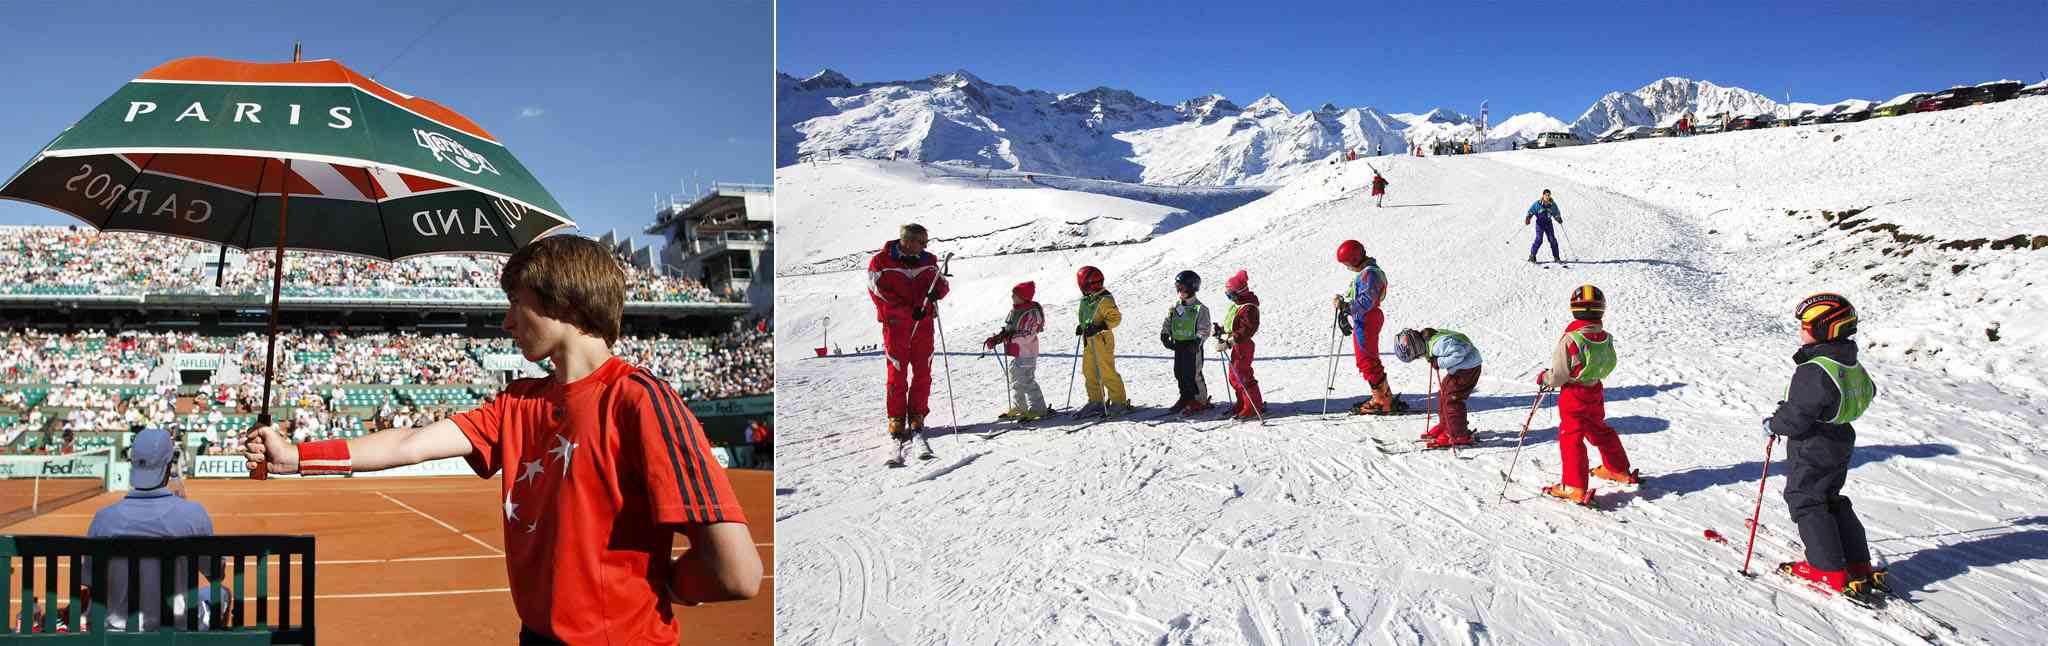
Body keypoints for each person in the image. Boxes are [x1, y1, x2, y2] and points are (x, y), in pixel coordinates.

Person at [241, 235, 761, 645]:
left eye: (517, 302)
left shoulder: (641, 401)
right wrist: (295, 458)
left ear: (564, 302)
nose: (508, 321)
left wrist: (666, 588)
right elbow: (411, 444)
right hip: (536, 637)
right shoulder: (518, 401)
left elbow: (736, 573)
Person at [1766, 293, 1883, 601]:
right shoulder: (1847, 359)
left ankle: (1827, 568)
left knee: (1806, 499)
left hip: (1813, 442)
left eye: (1806, 324)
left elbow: (1798, 416)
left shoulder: (1814, 369)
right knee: (1831, 497)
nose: (1801, 330)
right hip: (1841, 437)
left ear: (1825, 329)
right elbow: (1868, 390)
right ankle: (1857, 561)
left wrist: (1775, 423)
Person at [82, 427, 222, 632]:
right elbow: (215, 573)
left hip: (117, 632)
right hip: (181, 629)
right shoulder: (193, 514)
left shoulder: (103, 519)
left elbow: (91, 582)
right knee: (222, 594)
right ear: (168, 466)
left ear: (133, 463)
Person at [1536, 285, 1637, 506]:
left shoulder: (1571, 338)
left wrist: (1545, 378)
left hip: (1574, 393)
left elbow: (1560, 375)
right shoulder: (1603, 336)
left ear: (1574, 310)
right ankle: (1617, 468)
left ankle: (1574, 486)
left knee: (1571, 436)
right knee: (1598, 428)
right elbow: (1609, 364)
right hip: (1595, 390)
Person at [866, 223, 950, 458]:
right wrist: (906, 310)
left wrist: (937, 293)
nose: (924, 247)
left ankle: (917, 414)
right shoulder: (881, 262)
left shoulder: (929, 260)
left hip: (924, 324)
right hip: (896, 326)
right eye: (921, 243)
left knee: (923, 371)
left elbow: (942, 284)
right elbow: (878, 292)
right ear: (908, 241)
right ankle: (896, 417)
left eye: (925, 244)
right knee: (897, 371)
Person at [1334, 241, 1404, 414]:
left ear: (1355, 259)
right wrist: (1344, 302)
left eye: (1347, 264)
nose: (1347, 268)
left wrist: (1346, 308)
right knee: (1365, 359)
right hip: (1364, 318)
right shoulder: (1366, 272)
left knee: (1367, 360)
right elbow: (1358, 295)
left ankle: (1382, 401)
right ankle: (1382, 396)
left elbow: (1367, 300)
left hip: (1367, 319)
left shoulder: (1370, 274)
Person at [1393, 327, 1482, 448]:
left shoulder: (1437, 345)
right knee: (1443, 394)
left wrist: (1439, 362)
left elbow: (1459, 352)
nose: (1419, 357)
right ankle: (1446, 425)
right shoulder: (1429, 341)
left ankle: (1458, 434)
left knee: (1451, 399)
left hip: (1468, 369)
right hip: (1462, 368)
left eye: (1417, 356)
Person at [984, 281, 1050, 421]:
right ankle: (1019, 406)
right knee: (1015, 379)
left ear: (1023, 296)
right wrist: (998, 338)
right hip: (1017, 352)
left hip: (1027, 352)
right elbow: (1009, 329)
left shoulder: (1031, 313)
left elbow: (1028, 334)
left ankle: (1038, 407)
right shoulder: (1016, 310)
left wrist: (1010, 337)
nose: (1012, 296)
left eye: (1015, 294)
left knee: (1027, 380)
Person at [1074, 266, 1132, 417]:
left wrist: (1100, 327)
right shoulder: (1087, 299)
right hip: (1089, 340)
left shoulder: (1104, 299)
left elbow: (1115, 318)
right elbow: (1087, 316)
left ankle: (1119, 402)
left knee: (1106, 371)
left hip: (1102, 340)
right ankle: (1096, 401)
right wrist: (1082, 327)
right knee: (1089, 371)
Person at [1211, 270, 1265, 420]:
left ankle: (1253, 406)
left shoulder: (1249, 308)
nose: (1229, 297)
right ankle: (1242, 402)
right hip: (1235, 343)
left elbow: (1247, 329)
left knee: (1243, 375)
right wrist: (1220, 330)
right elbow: (1232, 325)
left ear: (1240, 292)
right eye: (1227, 294)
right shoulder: (1236, 305)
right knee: (1234, 377)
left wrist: (1229, 341)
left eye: (1230, 294)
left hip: (1243, 345)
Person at [1160, 271, 1213, 416]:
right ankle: (1185, 397)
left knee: (1193, 374)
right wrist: (1165, 334)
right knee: (1179, 373)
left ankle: (1200, 400)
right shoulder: (1177, 306)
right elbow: (1169, 321)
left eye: (1182, 288)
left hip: (1193, 347)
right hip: (1179, 345)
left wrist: (1197, 341)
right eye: (1177, 288)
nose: (1179, 291)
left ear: (1192, 288)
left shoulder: (1200, 308)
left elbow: (1205, 328)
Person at [1524, 189, 1564, 263]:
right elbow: (1531, 211)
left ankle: (1556, 257)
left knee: (1552, 239)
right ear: (1543, 195)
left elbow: (1556, 213)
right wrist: (1528, 217)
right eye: (1546, 195)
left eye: (1548, 195)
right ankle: (1532, 256)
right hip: (1540, 224)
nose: (1547, 197)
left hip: (1548, 224)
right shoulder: (1538, 204)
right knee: (1539, 239)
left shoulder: (1552, 204)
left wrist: (1558, 218)